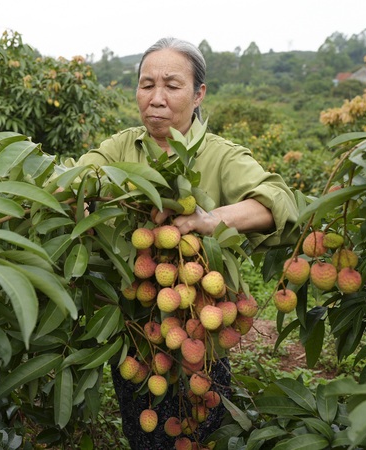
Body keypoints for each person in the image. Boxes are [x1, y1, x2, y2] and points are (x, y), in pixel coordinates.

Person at [74, 37, 299, 449]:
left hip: (199, 326)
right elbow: (74, 181)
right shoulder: (118, 148)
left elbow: (280, 201)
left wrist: (212, 220)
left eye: (172, 86)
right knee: (141, 431)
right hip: (133, 334)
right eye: (146, 84)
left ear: (198, 95)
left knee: (205, 428)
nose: (156, 98)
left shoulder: (220, 156)